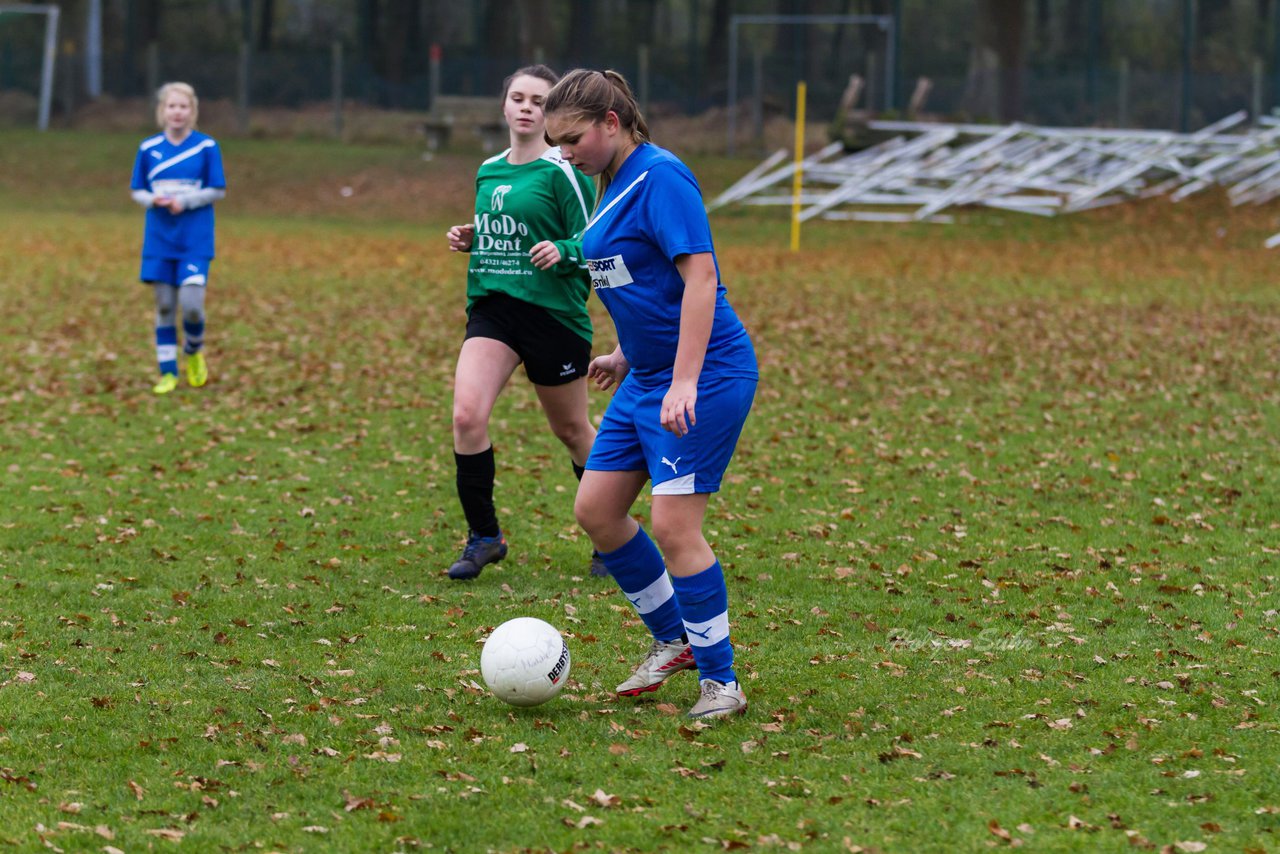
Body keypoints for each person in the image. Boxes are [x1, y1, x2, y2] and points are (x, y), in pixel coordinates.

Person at [543, 70, 758, 720]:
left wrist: (685, 378)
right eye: (556, 143)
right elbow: (644, 284)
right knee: (598, 511)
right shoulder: (609, 185)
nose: (565, 153)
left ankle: (722, 682)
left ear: (611, 122)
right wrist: (623, 353)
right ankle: (673, 639)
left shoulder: (663, 176)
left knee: (673, 526)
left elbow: (699, 280)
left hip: (707, 374)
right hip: (646, 376)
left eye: (572, 138)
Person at [444, 64, 605, 581]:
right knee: (467, 416)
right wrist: (477, 238)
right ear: (504, 105)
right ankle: (484, 537)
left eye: (538, 100)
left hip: (552, 315)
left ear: (552, 112)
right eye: (518, 97)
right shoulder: (489, 168)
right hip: (493, 308)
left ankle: (611, 532)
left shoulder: (564, 170)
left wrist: (562, 249)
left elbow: (597, 242)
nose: (527, 107)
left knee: (572, 429)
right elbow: (507, 229)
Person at [130, 81, 226, 394]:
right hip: (159, 238)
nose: (177, 112)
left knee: (192, 304)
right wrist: (152, 200)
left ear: (192, 111)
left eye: (183, 107)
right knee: (165, 306)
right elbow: (137, 189)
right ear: (162, 111)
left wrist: (184, 202)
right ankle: (168, 372)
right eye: (171, 106)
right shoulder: (148, 148)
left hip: (194, 237)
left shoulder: (206, 147)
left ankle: (194, 352)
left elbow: (217, 189)